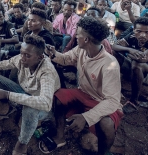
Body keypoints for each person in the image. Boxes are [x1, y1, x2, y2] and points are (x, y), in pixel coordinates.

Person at [42, 17, 122, 155]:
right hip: (84, 93)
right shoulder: (81, 50)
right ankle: (60, 137)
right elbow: (66, 59)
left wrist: (86, 117)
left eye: (78, 33)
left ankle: (104, 152)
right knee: (59, 97)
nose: (75, 35)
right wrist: (54, 54)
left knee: (106, 124)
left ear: (86, 39)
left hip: (103, 102)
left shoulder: (110, 64)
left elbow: (112, 101)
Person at [0, 35, 60, 155]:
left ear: (40, 57)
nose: (22, 58)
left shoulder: (46, 71)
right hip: (23, 93)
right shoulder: (21, 59)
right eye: (21, 53)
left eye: (27, 55)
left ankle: (21, 146)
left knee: (31, 107)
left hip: (43, 110)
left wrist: (7, 95)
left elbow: (45, 103)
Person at [112, 17, 148, 113]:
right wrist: (129, 49)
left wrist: (127, 51)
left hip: (145, 73)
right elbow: (114, 46)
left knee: (137, 64)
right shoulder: (132, 36)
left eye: (147, 32)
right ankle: (112, 87)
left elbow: (143, 59)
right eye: (139, 31)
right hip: (133, 67)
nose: (143, 35)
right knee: (113, 53)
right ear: (134, 30)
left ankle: (134, 101)